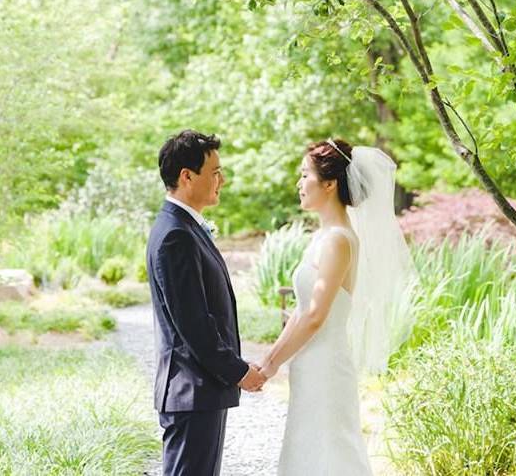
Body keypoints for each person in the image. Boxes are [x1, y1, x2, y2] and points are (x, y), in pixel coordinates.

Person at [257, 138, 412, 475]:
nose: (299, 184)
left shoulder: (339, 240)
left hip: (326, 366)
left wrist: (269, 366)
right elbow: (301, 311)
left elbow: (314, 316)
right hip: (310, 363)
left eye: (305, 176)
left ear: (329, 184)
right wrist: (271, 359)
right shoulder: (323, 237)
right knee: (307, 447)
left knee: (330, 450)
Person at [146, 129, 266, 476]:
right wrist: (240, 372)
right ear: (187, 176)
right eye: (214, 172)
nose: (222, 180)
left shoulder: (185, 228)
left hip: (200, 391)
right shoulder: (175, 236)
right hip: (191, 390)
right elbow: (195, 325)